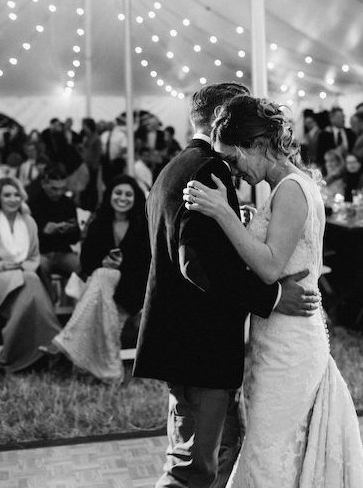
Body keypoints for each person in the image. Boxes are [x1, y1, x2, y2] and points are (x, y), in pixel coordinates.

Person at [134, 83, 320, 488]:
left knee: (218, 454)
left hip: (187, 343)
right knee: (192, 470)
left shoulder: (178, 165)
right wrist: (270, 296)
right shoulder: (209, 168)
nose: (235, 166)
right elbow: (199, 265)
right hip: (200, 346)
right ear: (223, 117)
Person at [182, 95, 363, 486]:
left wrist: (223, 213)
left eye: (233, 160)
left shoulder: (288, 190)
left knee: (267, 450)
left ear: (255, 145)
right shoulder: (288, 187)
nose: (233, 172)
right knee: (280, 447)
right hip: (281, 333)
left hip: (290, 342)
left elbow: (269, 267)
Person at [46, 176, 150, 381]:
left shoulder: (143, 224)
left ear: (135, 198)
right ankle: (109, 370)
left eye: (128, 194)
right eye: (118, 193)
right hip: (103, 287)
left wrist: (121, 266)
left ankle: (68, 341)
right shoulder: (99, 222)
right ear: (110, 195)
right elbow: (87, 261)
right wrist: (104, 261)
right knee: (103, 282)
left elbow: (145, 264)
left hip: (132, 287)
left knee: (102, 280)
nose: (123, 198)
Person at [0, 176, 61, 373]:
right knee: (31, 280)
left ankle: (10, 357)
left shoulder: (29, 222)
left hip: (23, 278)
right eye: (7, 195)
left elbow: (34, 257)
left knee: (27, 287)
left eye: (17, 194)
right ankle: (56, 341)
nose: (12, 199)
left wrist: (21, 267)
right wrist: (3, 267)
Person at [28, 164, 81, 302]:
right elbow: (27, 239)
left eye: (62, 189)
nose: (58, 193)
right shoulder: (33, 203)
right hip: (41, 253)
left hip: (63, 252)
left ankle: (81, 305)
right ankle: (49, 302)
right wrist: (44, 232)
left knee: (84, 266)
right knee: (39, 266)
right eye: (54, 189)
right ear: (44, 184)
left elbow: (76, 238)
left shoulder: (68, 203)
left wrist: (69, 230)